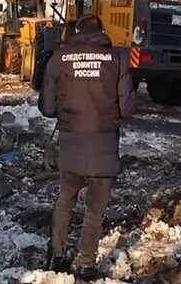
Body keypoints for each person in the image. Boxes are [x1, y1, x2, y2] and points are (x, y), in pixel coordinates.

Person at [38, 14, 134, 279]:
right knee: (95, 209)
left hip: (70, 145)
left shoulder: (59, 59)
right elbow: (126, 108)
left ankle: (56, 254)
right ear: (102, 32)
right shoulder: (116, 59)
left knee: (65, 200)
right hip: (103, 147)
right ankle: (86, 262)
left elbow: (46, 107)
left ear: (76, 31)